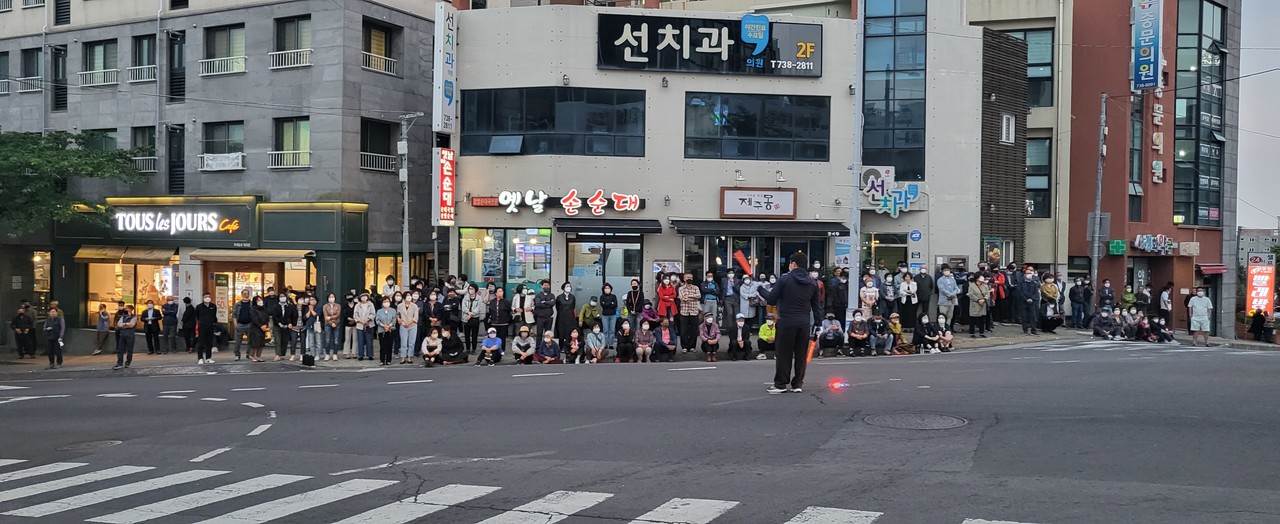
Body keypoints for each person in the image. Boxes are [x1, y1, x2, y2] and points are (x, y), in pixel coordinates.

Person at [764, 252, 823, 394]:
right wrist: (818, 324)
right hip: (804, 323)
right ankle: (797, 384)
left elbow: (771, 299)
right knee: (801, 354)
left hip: (786, 322)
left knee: (784, 354)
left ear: (793, 264)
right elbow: (816, 306)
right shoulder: (812, 282)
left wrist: (760, 289)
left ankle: (780, 384)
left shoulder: (785, 279)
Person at [271, 293, 296, 362]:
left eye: (284, 296)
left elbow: (292, 316)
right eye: (281, 296)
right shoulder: (275, 306)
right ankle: (277, 354)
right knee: (278, 340)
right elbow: (274, 316)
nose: (282, 298)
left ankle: (282, 354)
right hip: (277, 325)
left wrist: (290, 323)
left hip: (287, 326)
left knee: (284, 340)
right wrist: (279, 324)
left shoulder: (289, 306)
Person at [1015, 268, 1040, 335]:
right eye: (1027, 273)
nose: (1029, 275)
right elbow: (1020, 292)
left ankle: (1034, 329)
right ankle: (1025, 329)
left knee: (1033, 316)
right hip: (1023, 302)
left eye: (1030, 273)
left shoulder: (1034, 283)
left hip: (1032, 302)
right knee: (1024, 316)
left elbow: (1036, 293)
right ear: (1024, 274)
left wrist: (1032, 298)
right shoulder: (1020, 282)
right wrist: (1026, 299)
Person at [460, 284, 484, 355]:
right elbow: (463, 306)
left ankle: (473, 348)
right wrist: (468, 312)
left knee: (474, 335)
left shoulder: (479, 298)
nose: (470, 290)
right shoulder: (465, 297)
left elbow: (479, 308)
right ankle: (467, 348)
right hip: (466, 318)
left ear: (475, 290)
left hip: (475, 318)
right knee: (467, 335)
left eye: (472, 288)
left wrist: (471, 314)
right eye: (469, 288)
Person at [398, 291, 420, 365]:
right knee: (403, 342)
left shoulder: (414, 306)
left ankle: (409, 356)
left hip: (412, 325)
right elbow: (398, 315)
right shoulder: (400, 306)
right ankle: (403, 357)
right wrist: (402, 322)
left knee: (411, 342)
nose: (409, 297)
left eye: (410, 295)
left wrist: (409, 323)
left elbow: (416, 317)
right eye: (407, 295)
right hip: (403, 325)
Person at [195, 293, 218, 364]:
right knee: (201, 343)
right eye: (206, 297)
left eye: (208, 297)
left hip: (210, 326)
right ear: (203, 298)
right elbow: (197, 316)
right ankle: (200, 358)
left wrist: (213, 323)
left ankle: (208, 357)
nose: (207, 298)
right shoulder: (199, 307)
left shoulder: (213, 306)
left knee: (209, 343)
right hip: (202, 327)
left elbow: (214, 316)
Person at [112, 305, 138, 370]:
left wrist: (123, 325)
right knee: (120, 350)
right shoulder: (123, 316)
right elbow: (119, 324)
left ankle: (128, 363)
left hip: (130, 335)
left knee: (129, 350)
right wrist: (126, 324)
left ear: (130, 309)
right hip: (122, 335)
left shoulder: (134, 317)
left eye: (127, 308)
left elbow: (131, 325)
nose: (125, 309)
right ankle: (119, 363)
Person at [231, 290, 253, 360]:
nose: (246, 295)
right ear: (242, 295)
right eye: (244, 294)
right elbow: (234, 315)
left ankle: (249, 354)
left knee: (250, 340)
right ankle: (237, 354)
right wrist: (235, 324)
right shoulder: (237, 304)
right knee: (238, 341)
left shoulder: (252, 304)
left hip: (249, 324)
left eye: (247, 294)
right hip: (240, 324)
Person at [375, 297, 398, 365]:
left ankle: (388, 360)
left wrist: (389, 325)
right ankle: (382, 360)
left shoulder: (393, 310)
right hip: (382, 330)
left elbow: (394, 319)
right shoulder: (379, 311)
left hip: (391, 330)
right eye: (385, 302)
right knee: (382, 346)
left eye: (387, 301)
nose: (386, 303)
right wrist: (383, 325)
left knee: (389, 346)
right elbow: (377, 320)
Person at [322, 293, 343, 362]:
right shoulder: (325, 306)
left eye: (333, 297)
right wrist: (331, 323)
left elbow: (337, 315)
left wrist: (331, 318)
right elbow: (325, 317)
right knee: (327, 340)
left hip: (337, 323)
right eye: (330, 297)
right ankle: (327, 354)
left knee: (336, 340)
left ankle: (335, 354)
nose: (331, 298)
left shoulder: (338, 306)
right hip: (328, 324)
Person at [937, 268, 959, 332]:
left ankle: (948, 329)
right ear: (943, 272)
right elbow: (942, 289)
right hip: (943, 301)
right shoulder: (940, 280)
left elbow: (956, 288)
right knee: (942, 316)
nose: (947, 272)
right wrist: (949, 294)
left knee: (950, 316)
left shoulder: (952, 279)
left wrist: (953, 294)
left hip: (952, 301)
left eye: (948, 271)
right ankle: (941, 329)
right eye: (946, 271)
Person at [597, 284, 619, 349]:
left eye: (608, 288)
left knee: (612, 330)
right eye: (606, 288)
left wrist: (606, 304)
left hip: (613, 315)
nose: (607, 289)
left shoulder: (614, 296)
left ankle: (611, 344)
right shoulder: (602, 296)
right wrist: (610, 303)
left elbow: (615, 305)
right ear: (603, 289)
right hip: (605, 315)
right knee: (605, 330)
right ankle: (605, 344)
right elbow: (602, 305)